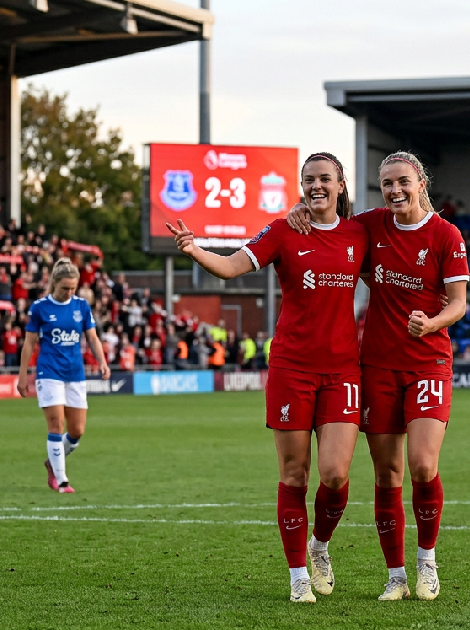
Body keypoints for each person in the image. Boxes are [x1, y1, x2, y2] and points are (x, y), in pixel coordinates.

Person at [167, 152, 368, 603]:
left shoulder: (360, 232)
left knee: (334, 475)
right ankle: (298, 574)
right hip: (291, 369)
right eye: (308, 180)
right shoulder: (283, 230)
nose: (316, 186)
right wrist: (194, 248)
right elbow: (231, 265)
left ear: (340, 185)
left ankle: (319, 546)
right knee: (294, 475)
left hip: (341, 372)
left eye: (324, 179)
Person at [287, 150, 468, 601]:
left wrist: (432, 323)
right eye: (387, 184)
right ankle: (396, 576)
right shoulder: (371, 225)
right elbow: (331, 217)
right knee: (387, 475)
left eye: (403, 182)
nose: (395, 191)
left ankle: (428, 563)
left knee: (423, 464)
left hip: (428, 361)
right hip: (378, 365)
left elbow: (459, 303)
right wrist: (299, 209)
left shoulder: (445, 235)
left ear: (421, 182)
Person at [18, 259, 110, 495]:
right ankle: (62, 481)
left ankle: (52, 461)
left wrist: (102, 361)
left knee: (77, 431)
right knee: (56, 424)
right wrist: (22, 375)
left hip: (75, 373)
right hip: (49, 372)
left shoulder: (81, 306)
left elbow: (92, 337)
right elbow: (29, 343)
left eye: (72, 288)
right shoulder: (40, 308)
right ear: (54, 284)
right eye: (64, 288)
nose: (69, 292)